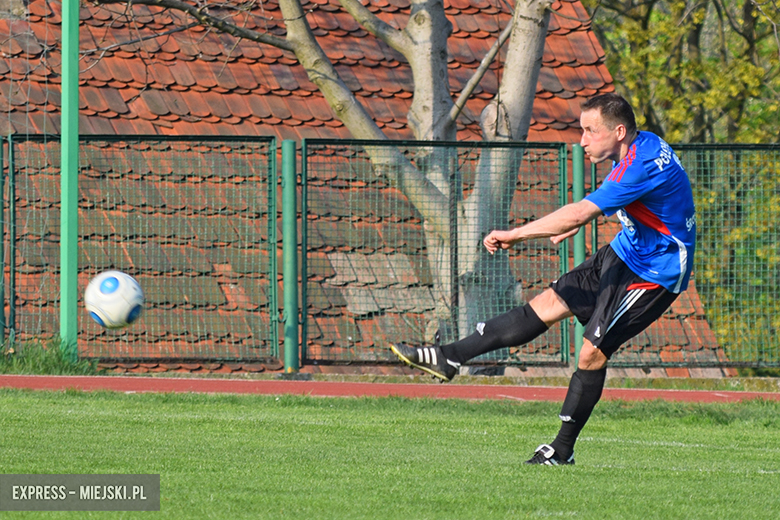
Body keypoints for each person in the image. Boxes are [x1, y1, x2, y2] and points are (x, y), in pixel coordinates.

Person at [390, 93, 696, 465]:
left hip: (655, 272)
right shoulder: (641, 143)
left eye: (589, 131)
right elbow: (630, 202)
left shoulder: (640, 164)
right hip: (626, 250)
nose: (582, 140)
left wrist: (516, 233)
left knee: (591, 353)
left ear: (618, 131)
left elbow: (582, 210)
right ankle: (448, 357)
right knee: (546, 304)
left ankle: (561, 450)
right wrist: (580, 219)